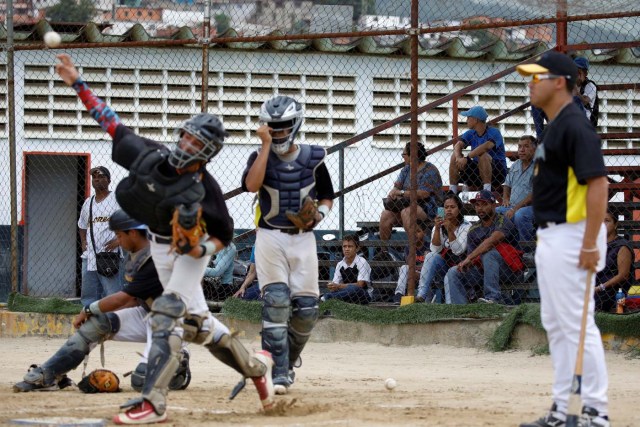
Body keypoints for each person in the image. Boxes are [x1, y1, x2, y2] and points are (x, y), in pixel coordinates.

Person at [54, 54, 274, 425]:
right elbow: (111, 124)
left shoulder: (206, 190)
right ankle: (255, 370)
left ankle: (153, 404)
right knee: (202, 326)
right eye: (186, 134)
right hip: (158, 245)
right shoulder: (152, 156)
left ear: (207, 151)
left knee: (167, 314)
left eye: (196, 140)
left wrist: (198, 248)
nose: (186, 142)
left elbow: (222, 235)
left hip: (190, 255)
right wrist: (78, 82)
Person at [517, 51, 610, 427]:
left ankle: (595, 412)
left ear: (559, 82)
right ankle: (560, 410)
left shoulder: (574, 124)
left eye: (538, 76)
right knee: (555, 323)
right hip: (554, 236)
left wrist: (589, 243)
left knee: (577, 325)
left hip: (573, 236)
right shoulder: (555, 125)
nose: (531, 82)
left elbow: (598, 183)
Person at [13, 210, 190, 393]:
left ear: (134, 233)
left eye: (119, 235)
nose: (118, 240)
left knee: (142, 381)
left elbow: (124, 298)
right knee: (98, 324)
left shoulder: (157, 258)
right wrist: (99, 316)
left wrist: (88, 309)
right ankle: (50, 373)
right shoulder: (135, 255)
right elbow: (134, 301)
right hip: (148, 314)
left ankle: (178, 359)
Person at [242, 95, 335, 395]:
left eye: (283, 127)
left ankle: (287, 362)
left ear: (296, 125)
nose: (279, 132)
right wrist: (266, 146)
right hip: (270, 236)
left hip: (303, 239)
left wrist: (320, 214)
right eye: (273, 127)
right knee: (277, 302)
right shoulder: (259, 157)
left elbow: (327, 195)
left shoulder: (313, 157)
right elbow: (251, 186)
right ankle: (278, 372)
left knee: (308, 310)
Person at [444, 190, 523, 304]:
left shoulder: (502, 220)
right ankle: (459, 308)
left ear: (494, 205)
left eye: (484, 204)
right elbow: (471, 261)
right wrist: (466, 264)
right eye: (477, 205)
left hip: (509, 270)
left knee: (489, 254)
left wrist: (469, 258)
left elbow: (491, 241)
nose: (480, 208)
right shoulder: (473, 229)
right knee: (453, 271)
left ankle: (492, 298)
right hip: (482, 272)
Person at [379, 142, 442, 241]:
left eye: (404, 154)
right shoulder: (407, 169)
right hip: (406, 204)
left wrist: (402, 193)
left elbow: (424, 194)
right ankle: (384, 252)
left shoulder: (430, 170)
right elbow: (397, 186)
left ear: (412, 156)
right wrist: (393, 193)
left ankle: (415, 249)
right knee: (385, 215)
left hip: (428, 207)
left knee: (407, 212)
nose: (403, 157)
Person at [78, 166, 123, 305]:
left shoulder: (116, 199)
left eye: (101, 176)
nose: (97, 179)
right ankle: (91, 321)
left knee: (112, 294)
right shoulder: (88, 202)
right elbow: (82, 225)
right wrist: (84, 242)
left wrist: (119, 240)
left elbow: (130, 222)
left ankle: (115, 322)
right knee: (89, 295)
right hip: (90, 256)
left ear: (109, 180)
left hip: (110, 255)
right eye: (94, 177)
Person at [416, 194, 471, 303]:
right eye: (446, 207)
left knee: (450, 273)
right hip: (443, 267)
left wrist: (450, 230)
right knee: (430, 255)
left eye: (452, 207)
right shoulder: (439, 225)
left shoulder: (466, 226)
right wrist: (437, 228)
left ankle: (450, 306)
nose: (449, 210)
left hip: (460, 268)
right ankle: (421, 294)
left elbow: (458, 251)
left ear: (459, 209)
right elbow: (435, 250)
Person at [449, 106, 507, 195]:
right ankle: (452, 192)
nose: (466, 121)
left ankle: (486, 192)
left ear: (475, 120)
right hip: (476, 171)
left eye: (468, 118)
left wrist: (467, 158)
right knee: (454, 156)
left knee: (483, 155)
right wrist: (458, 158)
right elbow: (458, 145)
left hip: (496, 172)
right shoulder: (470, 133)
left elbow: (486, 147)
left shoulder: (494, 132)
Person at [495, 135, 537, 244]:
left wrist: (515, 209)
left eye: (526, 146)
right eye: (519, 147)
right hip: (513, 206)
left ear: (534, 149)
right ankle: (507, 245)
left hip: (533, 207)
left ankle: (527, 248)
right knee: (496, 211)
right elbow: (507, 184)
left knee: (520, 215)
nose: (522, 150)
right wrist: (505, 199)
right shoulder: (515, 165)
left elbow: (534, 194)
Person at [595, 211, 633, 312]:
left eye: (607, 221)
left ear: (615, 225)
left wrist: (600, 287)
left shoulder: (622, 246)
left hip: (612, 294)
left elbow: (623, 275)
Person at [322, 234, 372, 304]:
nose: (347, 249)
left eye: (350, 246)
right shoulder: (340, 264)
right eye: (344, 246)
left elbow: (360, 285)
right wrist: (332, 286)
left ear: (357, 248)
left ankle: (326, 297)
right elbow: (335, 285)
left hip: (363, 295)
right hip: (346, 294)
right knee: (344, 290)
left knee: (355, 289)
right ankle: (328, 297)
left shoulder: (362, 262)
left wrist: (339, 286)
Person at [392, 221, 429, 304]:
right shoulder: (409, 247)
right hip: (413, 273)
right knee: (404, 267)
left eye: (418, 231)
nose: (415, 235)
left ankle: (420, 297)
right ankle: (399, 294)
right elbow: (409, 265)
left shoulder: (428, 246)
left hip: (426, 275)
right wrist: (413, 248)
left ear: (424, 233)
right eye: (413, 232)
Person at [574, 56, 599, 128]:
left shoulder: (590, 86)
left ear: (585, 73)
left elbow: (584, 101)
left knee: (576, 100)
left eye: (579, 71)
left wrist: (575, 88)